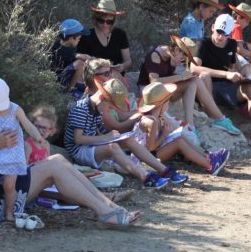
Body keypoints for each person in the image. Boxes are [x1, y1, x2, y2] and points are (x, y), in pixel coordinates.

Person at [0, 73, 140, 227]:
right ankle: (105, 212)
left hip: (9, 178)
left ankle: (110, 207)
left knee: (58, 160)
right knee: (54, 165)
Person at [64, 58, 188, 188]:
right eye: (109, 106)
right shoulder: (81, 108)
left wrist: (114, 135)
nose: (109, 109)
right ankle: (145, 177)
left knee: (128, 139)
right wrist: (107, 137)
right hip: (79, 150)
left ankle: (165, 171)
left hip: (92, 145)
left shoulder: (96, 106)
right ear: (102, 99)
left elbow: (100, 130)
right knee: (113, 147)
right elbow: (78, 139)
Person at [137, 34, 242, 135]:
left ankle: (195, 124)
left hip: (164, 91)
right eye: (184, 58)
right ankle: (217, 119)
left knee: (194, 81)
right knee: (192, 81)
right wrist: (181, 77)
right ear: (177, 50)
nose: (184, 62)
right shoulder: (155, 56)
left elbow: (167, 75)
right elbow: (154, 82)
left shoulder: (171, 56)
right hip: (151, 94)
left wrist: (184, 76)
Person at [0, 77, 46, 222]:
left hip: (13, 151)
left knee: (9, 186)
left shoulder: (15, 109)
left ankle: (9, 213)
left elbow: (27, 125)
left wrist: (38, 137)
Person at [135, 82, 230, 176]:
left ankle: (208, 155)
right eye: (167, 103)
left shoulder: (157, 117)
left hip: (153, 152)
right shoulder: (152, 121)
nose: (168, 106)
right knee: (178, 142)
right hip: (147, 157)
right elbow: (151, 147)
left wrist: (168, 132)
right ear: (161, 105)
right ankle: (210, 165)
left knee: (179, 135)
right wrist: (164, 134)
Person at [76, 0, 132, 75]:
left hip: (115, 76)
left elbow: (128, 61)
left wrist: (122, 66)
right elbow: (77, 57)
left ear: (114, 21)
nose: (105, 25)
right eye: (101, 20)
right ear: (95, 18)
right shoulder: (87, 35)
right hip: (93, 75)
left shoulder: (120, 34)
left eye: (109, 22)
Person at [49, 18, 91, 95]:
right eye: (79, 38)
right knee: (80, 63)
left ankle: (79, 87)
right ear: (71, 38)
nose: (79, 40)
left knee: (83, 64)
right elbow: (69, 54)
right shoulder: (57, 48)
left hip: (63, 76)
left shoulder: (62, 44)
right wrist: (80, 56)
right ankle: (70, 92)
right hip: (55, 80)